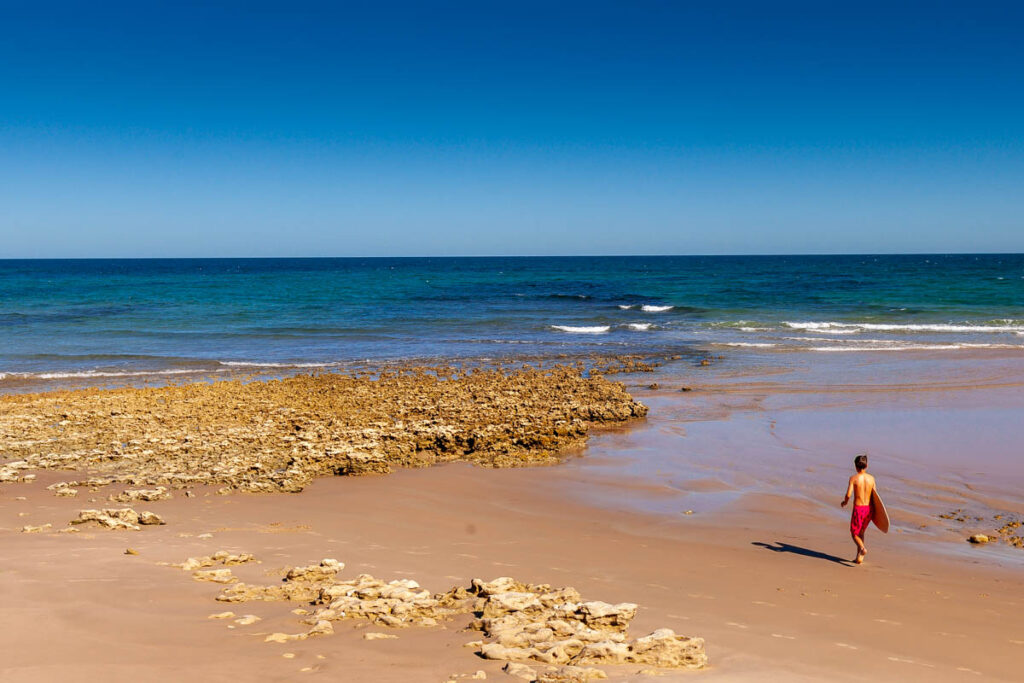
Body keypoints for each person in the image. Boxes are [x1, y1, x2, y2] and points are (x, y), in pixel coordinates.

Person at [841, 453, 875, 564]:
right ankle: (859, 558)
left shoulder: (853, 479)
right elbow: (875, 496)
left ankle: (862, 548)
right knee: (861, 532)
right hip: (869, 509)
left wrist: (845, 502)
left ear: (855, 466)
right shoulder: (871, 479)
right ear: (867, 465)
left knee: (854, 533)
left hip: (859, 509)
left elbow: (848, 494)